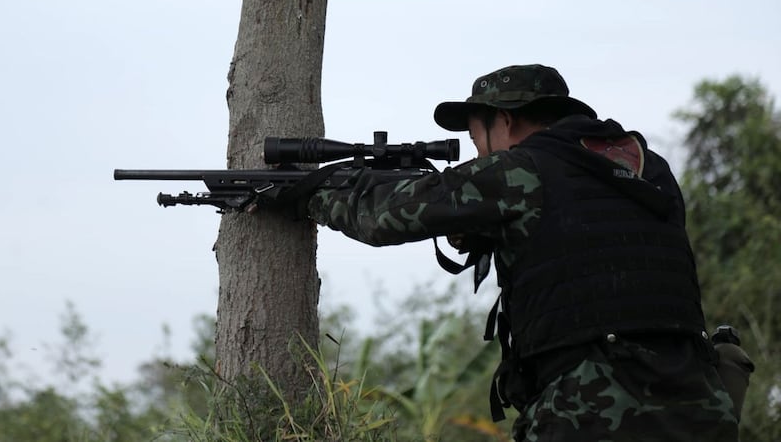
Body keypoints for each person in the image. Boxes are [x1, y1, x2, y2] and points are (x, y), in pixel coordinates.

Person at [306, 64, 740, 441]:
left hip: (591, 413)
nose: (478, 154)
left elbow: (384, 216)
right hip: (700, 408)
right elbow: (585, 241)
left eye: (478, 138)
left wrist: (307, 193)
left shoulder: (523, 169)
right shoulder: (648, 169)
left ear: (505, 121)